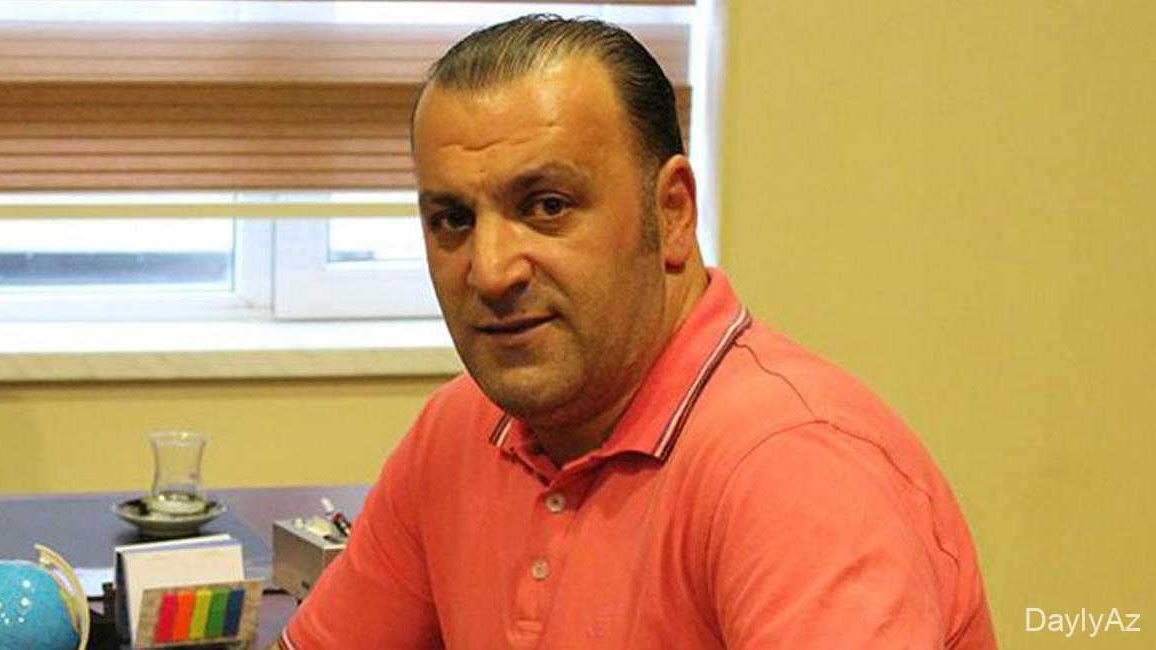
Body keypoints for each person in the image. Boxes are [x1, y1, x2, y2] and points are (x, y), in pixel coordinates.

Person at [277, 14, 996, 650]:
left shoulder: (796, 471)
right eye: (452, 221)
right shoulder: (459, 430)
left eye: (547, 206)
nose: (490, 271)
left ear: (673, 213)